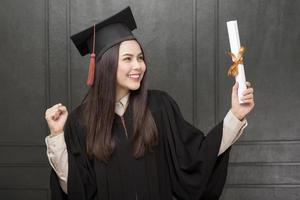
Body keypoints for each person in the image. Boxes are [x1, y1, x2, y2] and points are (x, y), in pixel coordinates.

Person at [44, 6, 254, 200]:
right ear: (106, 65)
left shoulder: (160, 107)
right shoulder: (81, 121)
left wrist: (235, 116)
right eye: (128, 59)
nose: (138, 66)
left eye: (141, 58)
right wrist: (56, 136)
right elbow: (77, 189)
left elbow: (196, 159)